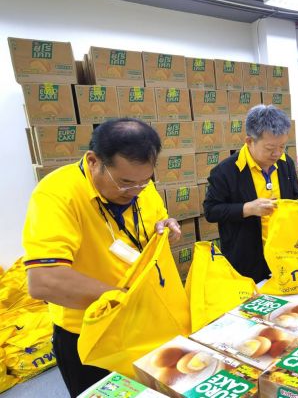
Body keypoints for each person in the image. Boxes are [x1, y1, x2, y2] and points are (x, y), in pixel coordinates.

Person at [23, 118, 182, 397]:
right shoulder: (57, 194)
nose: (134, 191)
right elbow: (43, 281)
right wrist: (124, 299)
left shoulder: (140, 186)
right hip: (90, 333)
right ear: (93, 160)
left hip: (143, 323)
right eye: (125, 183)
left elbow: (152, 222)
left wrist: (166, 226)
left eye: (144, 181)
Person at [204, 105, 298, 283]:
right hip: (246, 261)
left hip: (284, 256)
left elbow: (295, 197)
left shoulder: (286, 164)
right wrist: (247, 208)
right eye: (270, 148)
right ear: (249, 141)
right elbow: (211, 211)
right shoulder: (226, 171)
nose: (277, 153)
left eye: (282, 146)